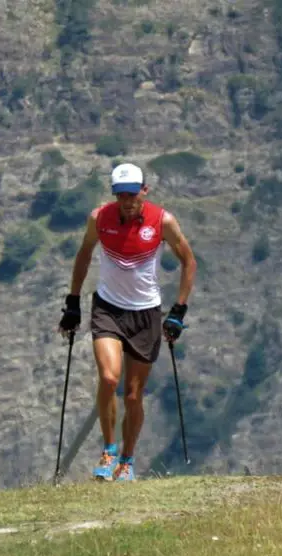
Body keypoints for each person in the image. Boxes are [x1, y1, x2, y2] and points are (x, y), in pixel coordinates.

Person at [57, 162, 197, 482]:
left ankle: (127, 461)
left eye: (132, 194)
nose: (126, 200)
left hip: (146, 314)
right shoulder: (99, 218)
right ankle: (109, 450)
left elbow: (189, 261)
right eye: (120, 194)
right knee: (108, 378)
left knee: (134, 395)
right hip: (108, 308)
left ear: (144, 192)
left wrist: (178, 311)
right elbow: (84, 255)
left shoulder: (163, 222)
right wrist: (73, 303)